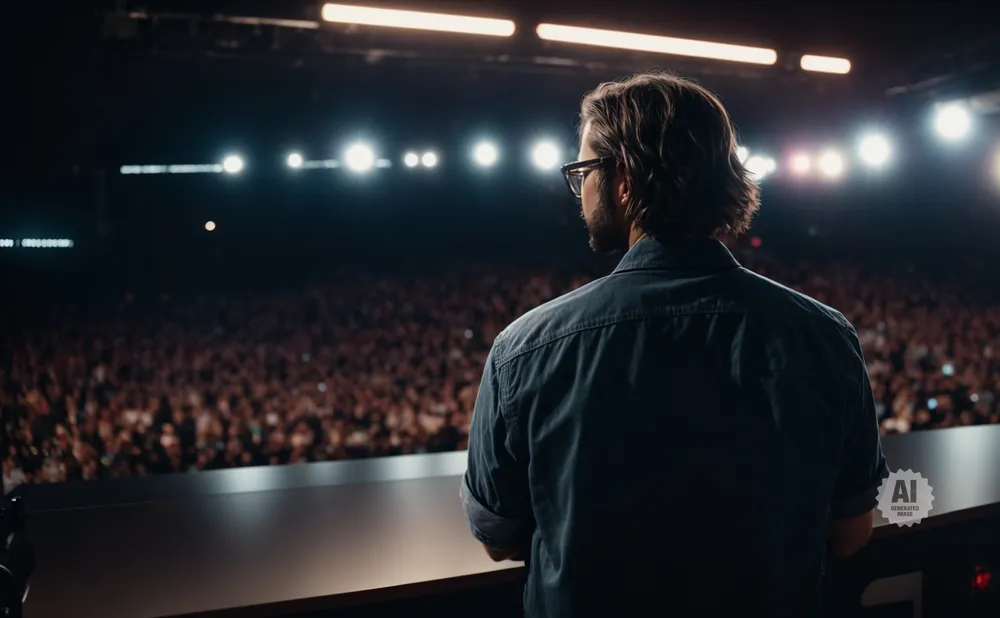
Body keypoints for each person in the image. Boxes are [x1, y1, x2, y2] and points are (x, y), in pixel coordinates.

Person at [461, 72, 888, 617]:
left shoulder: (524, 349)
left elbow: (497, 537)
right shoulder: (826, 335)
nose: (580, 189)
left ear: (623, 182)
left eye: (584, 171)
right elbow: (851, 532)